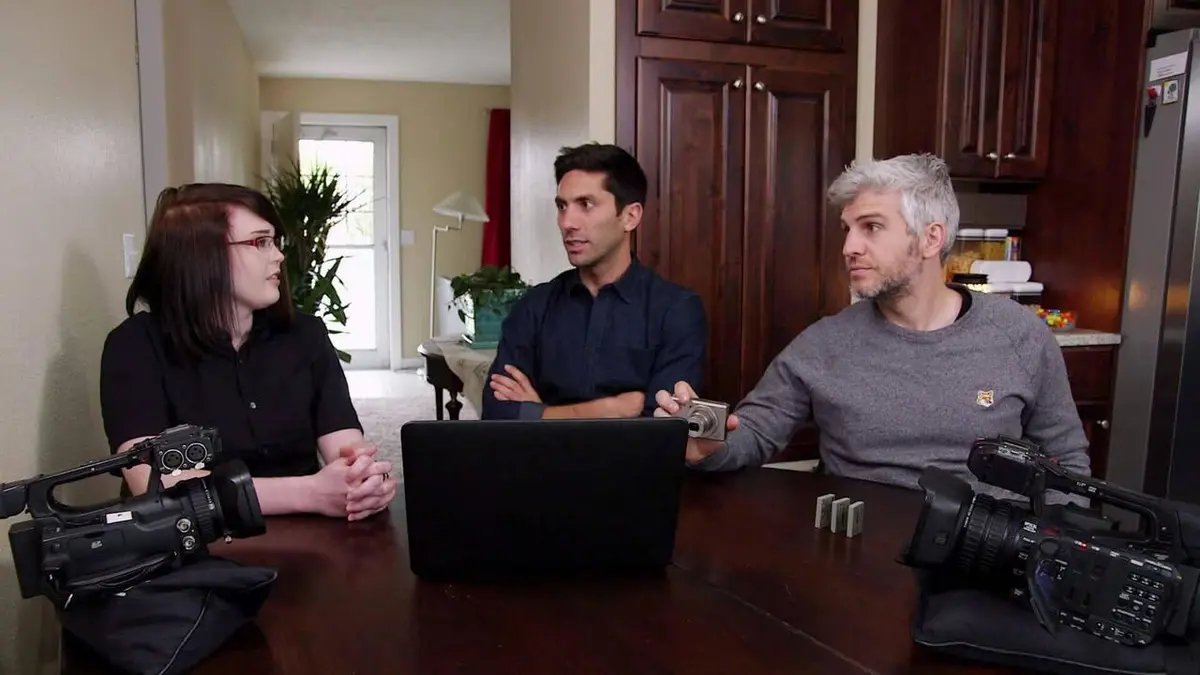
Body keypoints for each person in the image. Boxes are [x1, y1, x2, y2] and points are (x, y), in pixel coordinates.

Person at [653, 153, 1091, 499]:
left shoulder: (1020, 335)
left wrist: (1048, 547)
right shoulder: (824, 343)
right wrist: (707, 446)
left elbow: (1066, 461)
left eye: (872, 228)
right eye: (847, 229)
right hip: (858, 550)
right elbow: (753, 432)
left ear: (931, 238)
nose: (849, 247)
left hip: (981, 555)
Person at [99, 183, 396, 521]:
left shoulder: (306, 335)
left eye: (275, 241)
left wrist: (364, 480)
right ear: (202, 254)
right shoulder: (135, 346)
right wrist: (310, 492)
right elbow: (154, 483)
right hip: (193, 540)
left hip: (308, 534)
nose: (279, 256)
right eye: (261, 242)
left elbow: (347, 451)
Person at [482, 143, 707, 420]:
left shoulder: (676, 310)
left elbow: (661, 426)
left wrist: (540, 414)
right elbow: (496, 414)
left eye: (585, 205)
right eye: (562, 206)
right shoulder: (534, 307)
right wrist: (614, 409)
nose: (567, 222)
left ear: (630, 216)